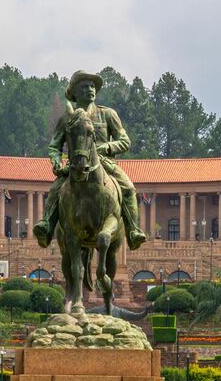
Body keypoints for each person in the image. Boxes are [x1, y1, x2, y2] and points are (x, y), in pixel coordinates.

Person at [35, 71, 148, 250]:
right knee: (56, 189)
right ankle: (47, 225)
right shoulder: (67, 119)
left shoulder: (108, 114)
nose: (90, 90)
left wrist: (108, 147)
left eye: (92, 86)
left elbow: (124, 141)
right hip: (75, 165)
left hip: (104, 164)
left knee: (128, 188)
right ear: (75, 92)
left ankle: (133, 230)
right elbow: (54, 146)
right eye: (85, 86)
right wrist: (56, 162)